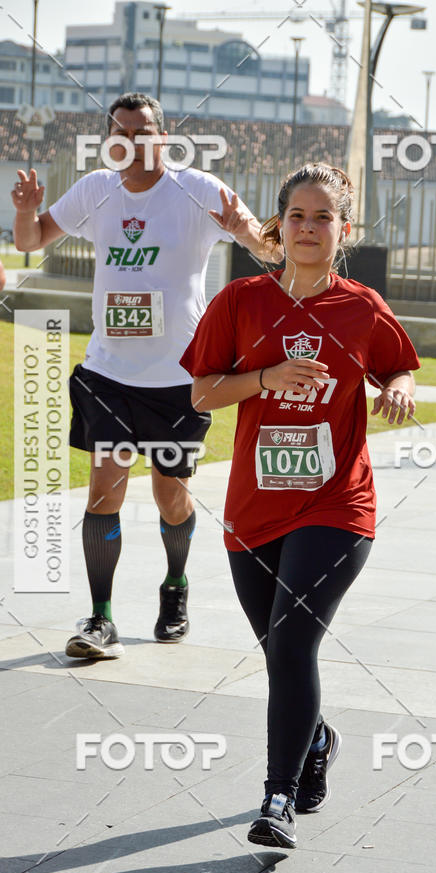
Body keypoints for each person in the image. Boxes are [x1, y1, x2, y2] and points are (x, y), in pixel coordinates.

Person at [180, 163, 419, 849]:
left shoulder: (362, 307)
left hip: (337, 504)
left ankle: (276, 798)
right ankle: (316, 741)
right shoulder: (240, 302)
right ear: (278, 225)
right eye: (297, 216)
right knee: (281, 654)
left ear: (343, 230)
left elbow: (397, 362)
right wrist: (266, 377)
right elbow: (202, 395)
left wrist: (398, 386)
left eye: (323, 218)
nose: (309, 228)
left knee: (293, 640)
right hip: (255, 509)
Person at [12, 91, 281, 659]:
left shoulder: (198, 190)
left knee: (171, 497)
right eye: (121, 133)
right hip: (109, 372)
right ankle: (101, 619)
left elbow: (269, 252)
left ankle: (175, 585)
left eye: (142, 132)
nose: (131, 143)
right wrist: (24, 209)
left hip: (182, 379)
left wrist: (248, 231)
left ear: (164, 136)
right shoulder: (95, 189)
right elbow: (32, 240)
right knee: (104, 490)